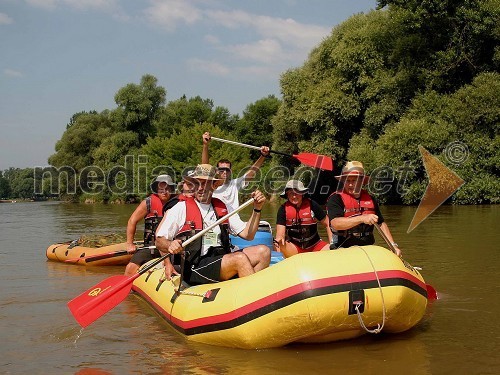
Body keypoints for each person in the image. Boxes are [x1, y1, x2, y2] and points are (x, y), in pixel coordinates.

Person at [155, 164, 271, 285]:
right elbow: (159, 241)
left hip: (222, 259)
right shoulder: (180, 208)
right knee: (239, 259)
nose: (200, 188)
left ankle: (243, 288)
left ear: (214, 185)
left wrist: (257, 209)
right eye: (197, 183)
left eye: (205, 183)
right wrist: (170, 245)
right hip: (195, 266)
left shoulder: (223, 207)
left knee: (264, 252)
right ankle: (251, 294)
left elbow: (249, 235)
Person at [326, 161, 402, 256]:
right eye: (347, 181)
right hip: (343, 248)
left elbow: (381, 223)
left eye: (354, 181)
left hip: (368, 247)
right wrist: (362, 218)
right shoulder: (335, 199)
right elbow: (335, 224)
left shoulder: (370, 199)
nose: (350, 184)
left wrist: (393, 245)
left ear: (361, 181)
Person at [124, 174, 177, 276]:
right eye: (161, 189)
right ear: (156, 189)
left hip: (171, 247)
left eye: (167, 188)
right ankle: (128, 291)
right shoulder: (148, 203)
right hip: (151, 247)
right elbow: (132, 221)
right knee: (131, 267)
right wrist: (130, 243)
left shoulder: (178, 203)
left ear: (171, 189)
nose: (164, 192)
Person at [201, 131, 270, 207]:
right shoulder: (210, 185)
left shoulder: (235, 184)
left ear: (230, 172)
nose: (224, 172)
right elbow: (205, 166)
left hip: (234, 218)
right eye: (222, 170)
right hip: (219, 217)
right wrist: (205, 145)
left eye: (227, 170)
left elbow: (251, 172)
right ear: (217, 171)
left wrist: (263, 155)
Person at [274, 180, 332, 258]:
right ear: (287, 195)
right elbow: (280, 235)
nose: (294, 196)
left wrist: (332, 243)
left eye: (297, 192)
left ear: (302, 193)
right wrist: (279, 240)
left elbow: (328, 223)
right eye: (291, 193)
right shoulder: (282, 209)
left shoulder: (312, 205)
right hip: (294, 248)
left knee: (331, 249)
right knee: (279, 244)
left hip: (315, 246)